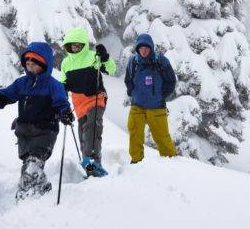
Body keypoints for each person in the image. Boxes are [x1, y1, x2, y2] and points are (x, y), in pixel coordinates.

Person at [0, 42, 73, 200]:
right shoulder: (22, 83)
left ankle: (26, 198)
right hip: (24, 134)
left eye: (34, 64)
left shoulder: (53, 85)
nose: (30, 67)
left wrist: (65, 113)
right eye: (27, 64)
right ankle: (41, 190)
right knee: (28, 166)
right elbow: (2, 98)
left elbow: (61, 103)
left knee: (33, 164)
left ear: (44, 64)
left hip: (45, 132)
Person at [60, 28, 116, 177]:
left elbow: (111, 69)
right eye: (73, 45)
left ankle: (91, 160)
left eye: (79, 45)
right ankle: (92, 168)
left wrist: (104, 58)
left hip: (96, 98)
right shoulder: (66, 63)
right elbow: (62, 85)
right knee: (83, 134)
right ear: (68, 46)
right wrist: (62, 105)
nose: (76, 48)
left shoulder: (93, 57)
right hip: (79, 104)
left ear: (85, 45)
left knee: (92, 127)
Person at [125, 33, 177, 164]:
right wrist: (132, 92)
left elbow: (171, 82)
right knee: (134, 134)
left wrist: (160, 95)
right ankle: (136, 161)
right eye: (141, 48)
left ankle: (171, 163)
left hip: (156, 107)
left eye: (146, 48)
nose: (143, 50)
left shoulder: (161, 61)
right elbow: (128, 80)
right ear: (137, 49)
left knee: (162, 137)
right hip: (137, 106)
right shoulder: (133, 62)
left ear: (151, 48)